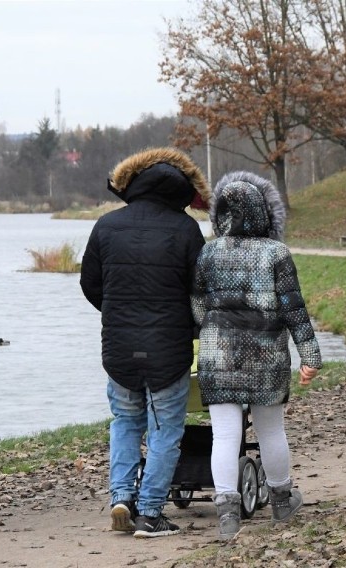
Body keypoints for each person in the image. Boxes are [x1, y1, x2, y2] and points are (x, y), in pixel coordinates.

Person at [80, 147, 210, 538]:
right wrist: (191, 326)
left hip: (118, 345)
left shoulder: (105, 225)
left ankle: (121, 496)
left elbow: (90, 284)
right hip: (168, 345)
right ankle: (151, 513)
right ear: (181, 193)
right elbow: (200, 290)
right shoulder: (186, 230)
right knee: (165, 429)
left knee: (124, 422)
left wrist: (116, 310)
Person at [191, 171, 323, 541]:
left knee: (224, 435)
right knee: (270, 429)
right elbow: (293, 308)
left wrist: (212, 328)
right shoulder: (277, 253)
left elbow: (198, 303)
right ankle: (281, 499)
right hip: (266, 355)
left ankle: (227, 512)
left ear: (222, 214)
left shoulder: (209, 252)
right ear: (264, 211)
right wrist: (310, 354)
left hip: (219, 354)